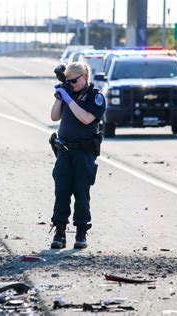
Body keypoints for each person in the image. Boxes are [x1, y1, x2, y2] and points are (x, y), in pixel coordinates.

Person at [49, 62, 106, 249]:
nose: (71, 84)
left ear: (85, 77)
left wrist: (69, 100)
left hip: (84, 152)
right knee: (62, 191)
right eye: (68, 80)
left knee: (81, 192)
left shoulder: (95, 96)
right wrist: (60, 97)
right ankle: (59, 232)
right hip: (65, 150)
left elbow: (86, 118)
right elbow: (54, 117)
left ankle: (81, 233)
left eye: (74, 80)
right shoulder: (67, 94)